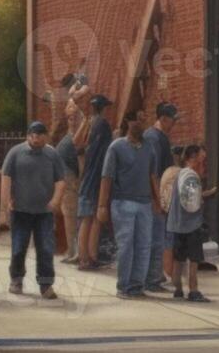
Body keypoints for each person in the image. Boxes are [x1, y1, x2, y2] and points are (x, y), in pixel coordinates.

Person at [99, 112, 162, 299]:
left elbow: (152, 176)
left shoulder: (149, 148)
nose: (142, 123)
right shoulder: (116, 147)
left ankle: (137, 286)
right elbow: (107, 177)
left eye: (144, 119)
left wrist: (157, 200)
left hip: (144, 203)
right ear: (129, 121)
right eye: (138, 119)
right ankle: (123, 286)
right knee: (126, 245)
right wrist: (102, 206)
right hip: (122, 202)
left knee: (144, 245)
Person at [0, 121, 66, 299]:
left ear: (45, 136)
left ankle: (46, 285)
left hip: (44, 212)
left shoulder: (52, 154)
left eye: (39, 136)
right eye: (32, 136)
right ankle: (16, 280)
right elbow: (6, 179)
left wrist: (56, 200)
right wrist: (5, 206)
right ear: (27, 136)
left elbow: (60, 180)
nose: (35, 139)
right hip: (20, 210)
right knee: (18, 247)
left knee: (45, 249)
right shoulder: (15, 153)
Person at [165, 143, 214, 302]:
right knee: (194, 259)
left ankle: (178, 289)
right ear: (192, 158)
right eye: (202, 159)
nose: (204, 164)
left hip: (177, 224)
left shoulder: (180, 174)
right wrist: (203, 198)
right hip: (191, 225)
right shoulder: (191, 176)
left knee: (179, 259)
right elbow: (191, 202)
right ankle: (193, 290)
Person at [141, 103, 178, 294]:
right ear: (163, 119)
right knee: (158, 239)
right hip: (155, 197)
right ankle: (153, 279)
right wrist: (158, 200)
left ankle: (155, 276)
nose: (174, 124)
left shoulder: (155, 137)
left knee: (158, 237)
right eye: (172, 120)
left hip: (156, 195)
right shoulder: (154, 138)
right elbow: (153, 173)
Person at [76, 94, 115, 270]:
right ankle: (88, 257)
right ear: (103, 107)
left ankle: (86, 256)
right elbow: (105, 153)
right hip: (97, 175)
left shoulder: (90, 123)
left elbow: (79, 145)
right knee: (93, 219)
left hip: (88, 174)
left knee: (88, 218)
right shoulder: (102, 125)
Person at [55, 121, 81, 264]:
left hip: (71, 181)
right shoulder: (70, 136)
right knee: (70, 215)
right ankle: (73, 250)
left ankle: (75, 251)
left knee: (72, 215)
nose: (71, 118)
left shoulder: (80, 134)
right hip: (67, 180)